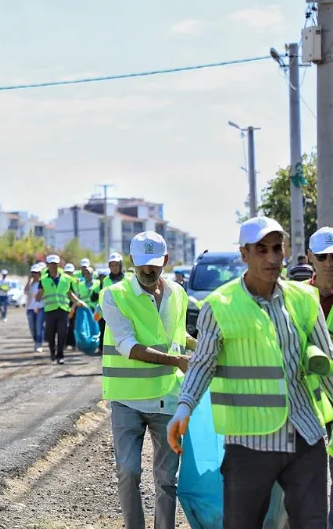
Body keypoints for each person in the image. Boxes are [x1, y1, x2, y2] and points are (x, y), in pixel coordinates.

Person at [167, 217, 333, 528]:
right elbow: (203, 363)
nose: (272, 258)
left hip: (305, 434)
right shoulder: (220, 306)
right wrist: (184, 408)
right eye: (261, 250)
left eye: (277, 249)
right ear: (244, 254)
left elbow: (328, 364)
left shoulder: (303, 299)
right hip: (249, 443)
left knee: (313, 523)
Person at [100, 231, 193, 529]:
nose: (148, 270)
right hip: (127, 400)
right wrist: (177, 361)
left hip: (168, 398)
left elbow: (178, 338)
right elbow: (128, 346)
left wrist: (202, 347)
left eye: (154, 263)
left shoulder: (178, 293)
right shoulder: (114, 295)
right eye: (142, 264)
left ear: (165, 260)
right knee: (128, 471)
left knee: (167, 480)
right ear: (131, 262)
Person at [307, 226, 333, 528]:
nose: (329, 261)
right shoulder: (296, 297)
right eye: (322, 256)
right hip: (305, 402)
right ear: (309, 257)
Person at [37, 255, 87, 365]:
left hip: (63, 310)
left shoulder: (65, 278)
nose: (53, 266)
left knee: (62, 333)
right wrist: (37, 298)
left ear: (58, 265)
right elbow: (39, 294)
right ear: (48, 265)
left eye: (55, 264)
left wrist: (78, 301)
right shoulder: (43, 279)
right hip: (50, 310)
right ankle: (52, 352)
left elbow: (70, 293)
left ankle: (60, 356)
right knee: (50, 334)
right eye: (51, 264)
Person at [92, 252, 128, 357]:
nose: (114, 267)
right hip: (107, 313)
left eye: (116, 265)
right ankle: (104, 351)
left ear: (120, 265)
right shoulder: (106, 280)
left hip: (123, 312)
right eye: (111, 265)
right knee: (105, 333)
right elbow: (103, 295)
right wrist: (98, 308)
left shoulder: (127, 279)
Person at [25, 263, 45, 353]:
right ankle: (36, 341)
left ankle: (39, 343)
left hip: (41, 308)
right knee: (32, 328)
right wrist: (29, 280)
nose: (34, 274)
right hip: (30, 308)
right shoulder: (31, 284)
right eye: (33, 273)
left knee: (39, 326)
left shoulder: (43, 283)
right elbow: (25, 291)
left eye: (36, 272)